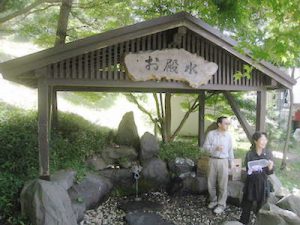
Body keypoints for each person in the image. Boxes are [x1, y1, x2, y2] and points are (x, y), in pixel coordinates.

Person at [239, 132, 274, 225]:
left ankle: (260, 222)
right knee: (246, 206)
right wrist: (253, 168)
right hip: (251, 183)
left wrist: (270, 167)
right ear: (255, 141)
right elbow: (248, 169)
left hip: (262, 183)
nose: (264, 142)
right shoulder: (250, 154)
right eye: (262, 139)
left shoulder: (268, 153)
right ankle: (243, 222)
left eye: (265, 140)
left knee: (261, 207)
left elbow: (270, 172)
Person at [203, 116, 234, 214]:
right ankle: (213, 200)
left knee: (222, 184)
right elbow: (204, 148)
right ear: (219, 124)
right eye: (225, 123)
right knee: (210, 183)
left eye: (228, 123)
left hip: (224, 161)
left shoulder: (229, 136)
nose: (227, 125)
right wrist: (215, 148)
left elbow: (230, 150)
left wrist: (231, 162)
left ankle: (221, 205)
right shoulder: (211, 134)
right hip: (212, 160)